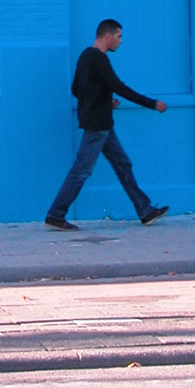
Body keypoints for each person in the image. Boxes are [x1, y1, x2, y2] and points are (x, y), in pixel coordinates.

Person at [45, 18, 169, 230]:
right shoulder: (99, 59)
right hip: (97, 126)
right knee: (81, 170)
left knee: (123, 164)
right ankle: (56, 214)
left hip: (102, 124)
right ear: (108, 35)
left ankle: (145, 211)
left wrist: (104, 102)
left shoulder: (85, 56)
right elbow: (119, 87)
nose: (121, 41)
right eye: (119, 36)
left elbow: (77, 89)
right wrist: (152, 103)